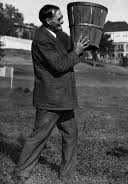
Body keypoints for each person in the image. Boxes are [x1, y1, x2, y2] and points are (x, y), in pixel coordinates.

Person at [12, 4, 90, 183]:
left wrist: (82, 46)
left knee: (71, 134)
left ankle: (66, 176)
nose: (63, 21)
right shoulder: (42, 39)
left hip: (63, 98)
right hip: (51, 99)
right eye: (59, 18)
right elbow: (59, 65)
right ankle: (20, 174)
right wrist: (76, 51)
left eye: (62, 17)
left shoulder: (56, 35)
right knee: (39, 137)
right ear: (48, 21)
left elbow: (70, 52)